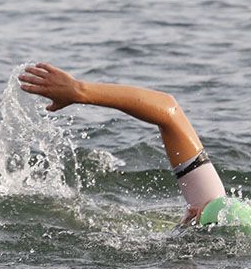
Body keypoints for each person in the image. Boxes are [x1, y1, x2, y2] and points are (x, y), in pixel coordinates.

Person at [19, 62, 251, 229]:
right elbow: (168, 111)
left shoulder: (213, 212)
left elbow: (168, 110)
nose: (195, 212)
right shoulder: (214, 212)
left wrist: (81, 91)